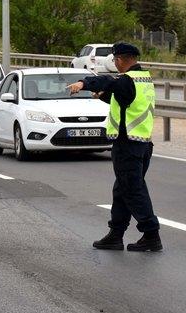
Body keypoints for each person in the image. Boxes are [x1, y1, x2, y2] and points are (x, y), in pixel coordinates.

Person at [67, 42, 162, 252]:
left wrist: (84, 83)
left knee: (133, 190)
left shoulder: (127, 80)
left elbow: (108, 81)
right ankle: (116, 234)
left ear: (119, 60)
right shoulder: (144, 79)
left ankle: (151, 233)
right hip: (143, 144)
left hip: (127, 145)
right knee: (122, 190)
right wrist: (104, 96)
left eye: (115, 61)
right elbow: (126, 100)